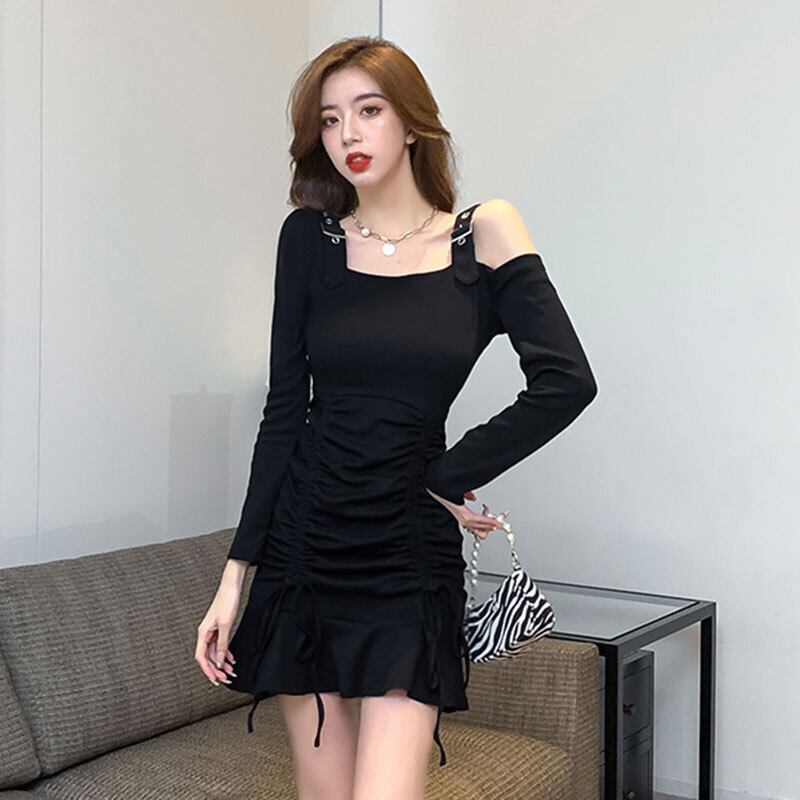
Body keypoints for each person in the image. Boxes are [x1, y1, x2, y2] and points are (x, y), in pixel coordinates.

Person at [194, 34, 597, 800]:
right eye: (330, 118)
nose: (347, 132)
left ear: (411, 121)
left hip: (406, 556)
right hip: (305, 548)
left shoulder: (484, 233)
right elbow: (285, 413)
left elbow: (566, 380)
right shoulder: (307, 240)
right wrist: (234, 578)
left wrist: (448, 474)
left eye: (369, 110)